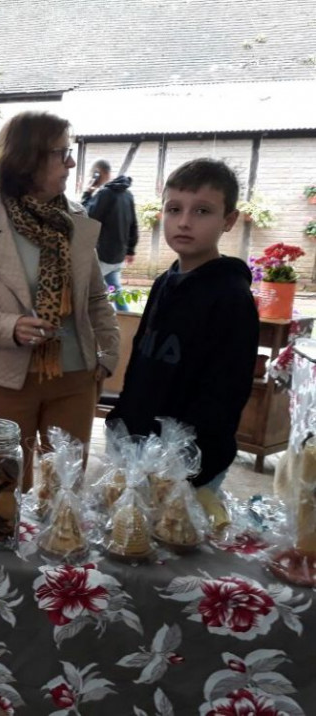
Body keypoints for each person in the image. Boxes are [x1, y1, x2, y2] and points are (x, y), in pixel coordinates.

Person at [0, 111, 119, 491]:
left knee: (64, 491)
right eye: (61, 153)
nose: (71, 163)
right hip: (4, 378)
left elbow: (95, 297)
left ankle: (59, 550)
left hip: (76, 376)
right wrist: (11, 327)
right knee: (1, 488)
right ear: (28, 158)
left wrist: (108, 356)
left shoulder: (76, 219)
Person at [106, 158, 259, 490]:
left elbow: (227, 393)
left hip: (187, 463)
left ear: (229, 220)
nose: (184, 222)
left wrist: (187, 463)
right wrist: (121, 420)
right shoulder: (164, 282)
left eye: (202, 211)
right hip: (135, 443)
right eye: (174, 209)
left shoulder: (231, 297)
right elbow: (142, 361)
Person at [81, 159, 139, 311]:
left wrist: (87, 193)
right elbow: (134, 223)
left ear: (98, 173)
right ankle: (126, 319)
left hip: (103, 256)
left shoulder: (105, 194)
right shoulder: (127, 194)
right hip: (118, 255)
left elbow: (85, 216)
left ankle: (94, 325)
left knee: (87, 294)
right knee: (116, 292)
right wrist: (131, 249)